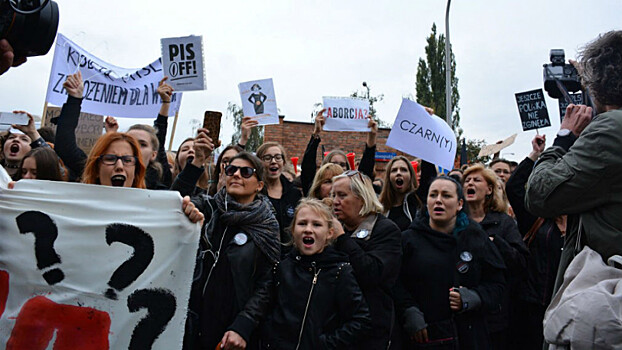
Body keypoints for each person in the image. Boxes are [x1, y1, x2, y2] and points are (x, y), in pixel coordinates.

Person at [525, 30, 622, 301]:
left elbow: (539, 195)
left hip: (604, 305)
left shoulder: (610, 129)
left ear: (600, 83)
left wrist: (564, 137)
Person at [230, 198, 372, 349]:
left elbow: (360, 320)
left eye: (316, 225)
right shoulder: (281, 267)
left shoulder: (340, 272)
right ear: (292, 230)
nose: (308, 229)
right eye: (302, 223)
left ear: (329, 233)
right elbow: (262, 303)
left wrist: (324, 344)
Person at [394, 176, 506, 349]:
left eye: (446, 195)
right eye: (433, 195)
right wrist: (408, 311)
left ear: (459, 203)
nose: (438, 200)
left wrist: (474, 297)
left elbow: (497, 283)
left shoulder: (475, 237)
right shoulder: (408, 239)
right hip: (423, 337)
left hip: (467, 336)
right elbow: (394, 282)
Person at [184, 152, 280, 350]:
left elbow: (267, 283)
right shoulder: (207, 209)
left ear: (260, 185)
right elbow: (176, 200)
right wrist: (187, 210)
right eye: (231, 169)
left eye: (246, 172)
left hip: (230, 331)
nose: (236, 174)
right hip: (190, 322)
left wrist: (243, 325)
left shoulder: (267, 225)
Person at [330, 170, 402, 349]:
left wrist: (342, 239)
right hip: (338, 327)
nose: (335, 201)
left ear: (361, 198)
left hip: (372, 330)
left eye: (342, 195)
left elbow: (373, 274)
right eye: (333, 195)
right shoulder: (336, 230)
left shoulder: (386, 230)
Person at [505, 134, 564, 350]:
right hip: (532, 307)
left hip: (568, 306)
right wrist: (535, 155)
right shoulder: (537, 217)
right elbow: (514, 187)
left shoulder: (582, 218)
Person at [462, 164, 528, 349]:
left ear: (489, 189)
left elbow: (520, 263)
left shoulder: (504, 223)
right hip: (460, 311)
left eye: (476, 180)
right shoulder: (454, 221)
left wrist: (495, 243)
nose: (470, 183)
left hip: (495, 314)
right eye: (466, 181)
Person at [103, 77, 175, 189]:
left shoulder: (159, 179)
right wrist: (110, 137)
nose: (135, 147)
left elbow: (160, 136)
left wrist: (165, 103)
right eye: (130, 143)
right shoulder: (104, 174)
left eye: (142, 144)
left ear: (153, 154)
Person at [300, 109, 378, 196]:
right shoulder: (313, 193)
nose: (338, 167)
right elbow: (307, 168)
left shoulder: (354, 192)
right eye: (333, 163)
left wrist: (372, 137)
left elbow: (365, 173)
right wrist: (316, 133)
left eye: (342, 165)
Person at [256, 142, 302, 245]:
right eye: (267, 158)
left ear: (284, 162)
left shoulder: (294, 193)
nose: (273, 161)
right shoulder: (254, 193)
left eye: (278, 157)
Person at [379, 156, 422, 231]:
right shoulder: (380, 208)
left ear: (411, 176)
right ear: (389, 177)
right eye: (394, 170)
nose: (398, 173)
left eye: (404, 170)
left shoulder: (418, 204)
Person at [2, 111, 49, 179]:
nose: (16, 140)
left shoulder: (33, 177)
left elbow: (54, 163)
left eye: (24, 139)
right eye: (11, 137)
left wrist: (33, 133)